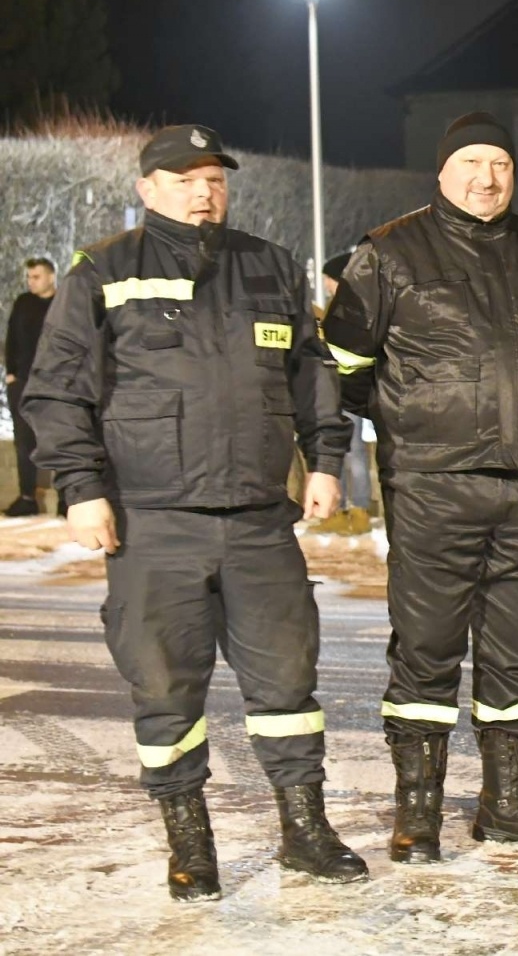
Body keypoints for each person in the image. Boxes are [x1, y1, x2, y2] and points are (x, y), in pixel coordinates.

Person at [22, 125, 366, 900]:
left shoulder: (270, 266)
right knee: (165, 687)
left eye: (214, 179)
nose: (203, 192)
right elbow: (56, 388)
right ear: (147, 189)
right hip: (152, 520)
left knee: (287, 683)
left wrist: (325, 461)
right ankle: (190, 844)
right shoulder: (104, 269)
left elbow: (311, 372)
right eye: (184, 180)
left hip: (258, 519)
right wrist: (81, 487)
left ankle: (304, 832)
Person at [322, 112, 518, 862]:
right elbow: (342, 367)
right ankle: (417, 813)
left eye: (500, 163)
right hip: (432, 489)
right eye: (471, 162)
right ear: (442, 172)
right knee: (426, 651)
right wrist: (409, 421)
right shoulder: (390, 253)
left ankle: (509, 803)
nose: (487, 177)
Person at [318, 252, 372, 534]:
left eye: (327, 279)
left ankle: (356, 510)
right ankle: (341, 512)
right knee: (345, 451)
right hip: (341, 390)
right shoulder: (351, 306)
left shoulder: (344, 309)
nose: (325, 285)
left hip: (343, 390)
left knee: (350, 452)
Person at [5, 257, 57, 515]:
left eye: (36, 276)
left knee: (60, 439)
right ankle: (27, 498)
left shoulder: (62, 303)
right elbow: (12, 337)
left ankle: (68, 500)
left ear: (51, 276)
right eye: (29, 277)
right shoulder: (23, 302)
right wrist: (11, 374)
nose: (31, 282)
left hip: (55, 383)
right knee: (24, 442)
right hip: (23, 382)